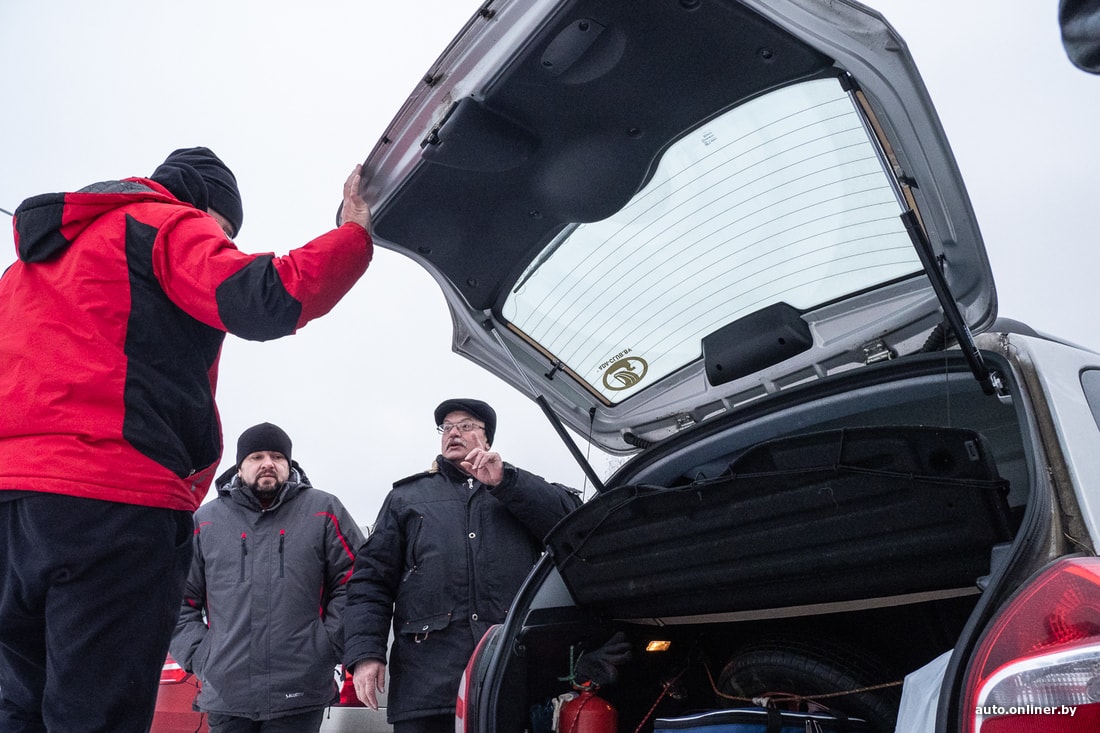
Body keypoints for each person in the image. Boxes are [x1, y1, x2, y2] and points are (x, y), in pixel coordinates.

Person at [0, 147, 373, 733]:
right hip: (110, 504)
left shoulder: (25, 271)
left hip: (11, 512)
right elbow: (266, 296)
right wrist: (353, 234)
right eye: (223, 232)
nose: (218, 242)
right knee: (94, 712)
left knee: (21, 707)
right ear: (203, 205)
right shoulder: (162, 222)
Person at [344, 398, 582, 733]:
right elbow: (370, 583)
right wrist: (366, 653)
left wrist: (506, 482)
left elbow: (571, 530)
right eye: (447, 427)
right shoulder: (406, 498)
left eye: (466, 426)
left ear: (487, 439)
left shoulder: (517, 489)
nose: (454, 433)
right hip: (426, 687)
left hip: (508, 677)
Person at [170, 423, 365, 732]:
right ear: (240, 466)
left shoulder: (324, 510)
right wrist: (201, 655)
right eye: (256, 456)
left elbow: (357, 581)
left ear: (289, 464)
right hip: (227, 694)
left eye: (277, 456)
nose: (267, 464)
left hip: (299, 691)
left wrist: (327, 645)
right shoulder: (205, 521)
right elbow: (175, 598)